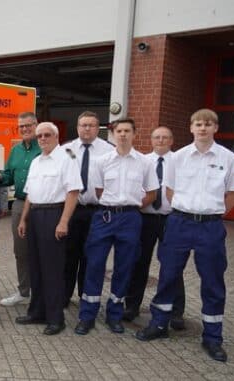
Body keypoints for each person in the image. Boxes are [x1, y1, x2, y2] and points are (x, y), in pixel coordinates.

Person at [136, 109, 234, 363]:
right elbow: (170, 191)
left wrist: (210, 214)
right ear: (191, 127)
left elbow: (233, 195)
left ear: (215, 127)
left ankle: (213, 337)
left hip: (210, 227)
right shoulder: (179, 157)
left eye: (207, 124)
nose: (202, 128)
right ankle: (159, 324)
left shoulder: (228, 158)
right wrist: (188, 212)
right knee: (168, 274)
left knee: (213, 281)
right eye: (198, 124)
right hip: (180, 222)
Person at [74, 118, 158, 336]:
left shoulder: (144, 162)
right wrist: (114, 205)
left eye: (127, 131)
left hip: (130, 217)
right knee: (94, 264)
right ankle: (87, 316)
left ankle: (114, 315)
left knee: (124, 266)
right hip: (105, 216)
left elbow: (151, 193)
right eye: (119, 131)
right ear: (113, 134)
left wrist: (129, 206)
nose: (122, 134)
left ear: (134, 133)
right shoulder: (102, 161)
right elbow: (99, 190)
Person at [15, 122, 82, 335]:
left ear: (56, 136)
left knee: (52, 269)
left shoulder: (67, 159)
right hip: (35, 214)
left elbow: (73, 192)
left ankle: (56, 318)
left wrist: (63, 222)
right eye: (39, 136)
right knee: (36, 266)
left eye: (46, 135)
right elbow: (29, 194)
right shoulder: (36, 161)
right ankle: (37, 312)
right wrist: (24, 219)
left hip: (54, 214)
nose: (42, 139)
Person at [123, 127, 186, 329]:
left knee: (172, 265)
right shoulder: (141, 161)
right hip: (145, 217)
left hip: (171, 218)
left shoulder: (180, 161)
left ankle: (176, 312)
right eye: (157, 137)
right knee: (139, 263)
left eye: (165, 137)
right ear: (151, 140)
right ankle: (131, 306)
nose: (161, 140)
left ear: (171, 140)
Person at [61, 111, 114, 307]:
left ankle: (86, 296)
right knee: (68, 255)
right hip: (72, 210)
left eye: (91, 125)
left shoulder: (109, 150)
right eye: (83, 125)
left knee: (91, 255)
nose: (87, 128)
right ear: (77, 127)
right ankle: (64, 296)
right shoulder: (66, 149)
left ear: (97, 128)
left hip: (96, 210)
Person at [0, 112, 41, 306]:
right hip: (21, 203)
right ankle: (24, 292)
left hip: (43, 205)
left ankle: (43, 292)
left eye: (28, 125)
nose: (24, 129)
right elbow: (8, 178)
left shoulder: (46, 147)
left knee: (43, 250)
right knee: (21, 251)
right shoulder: (15, 151)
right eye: (21, 126)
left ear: (36, 125)